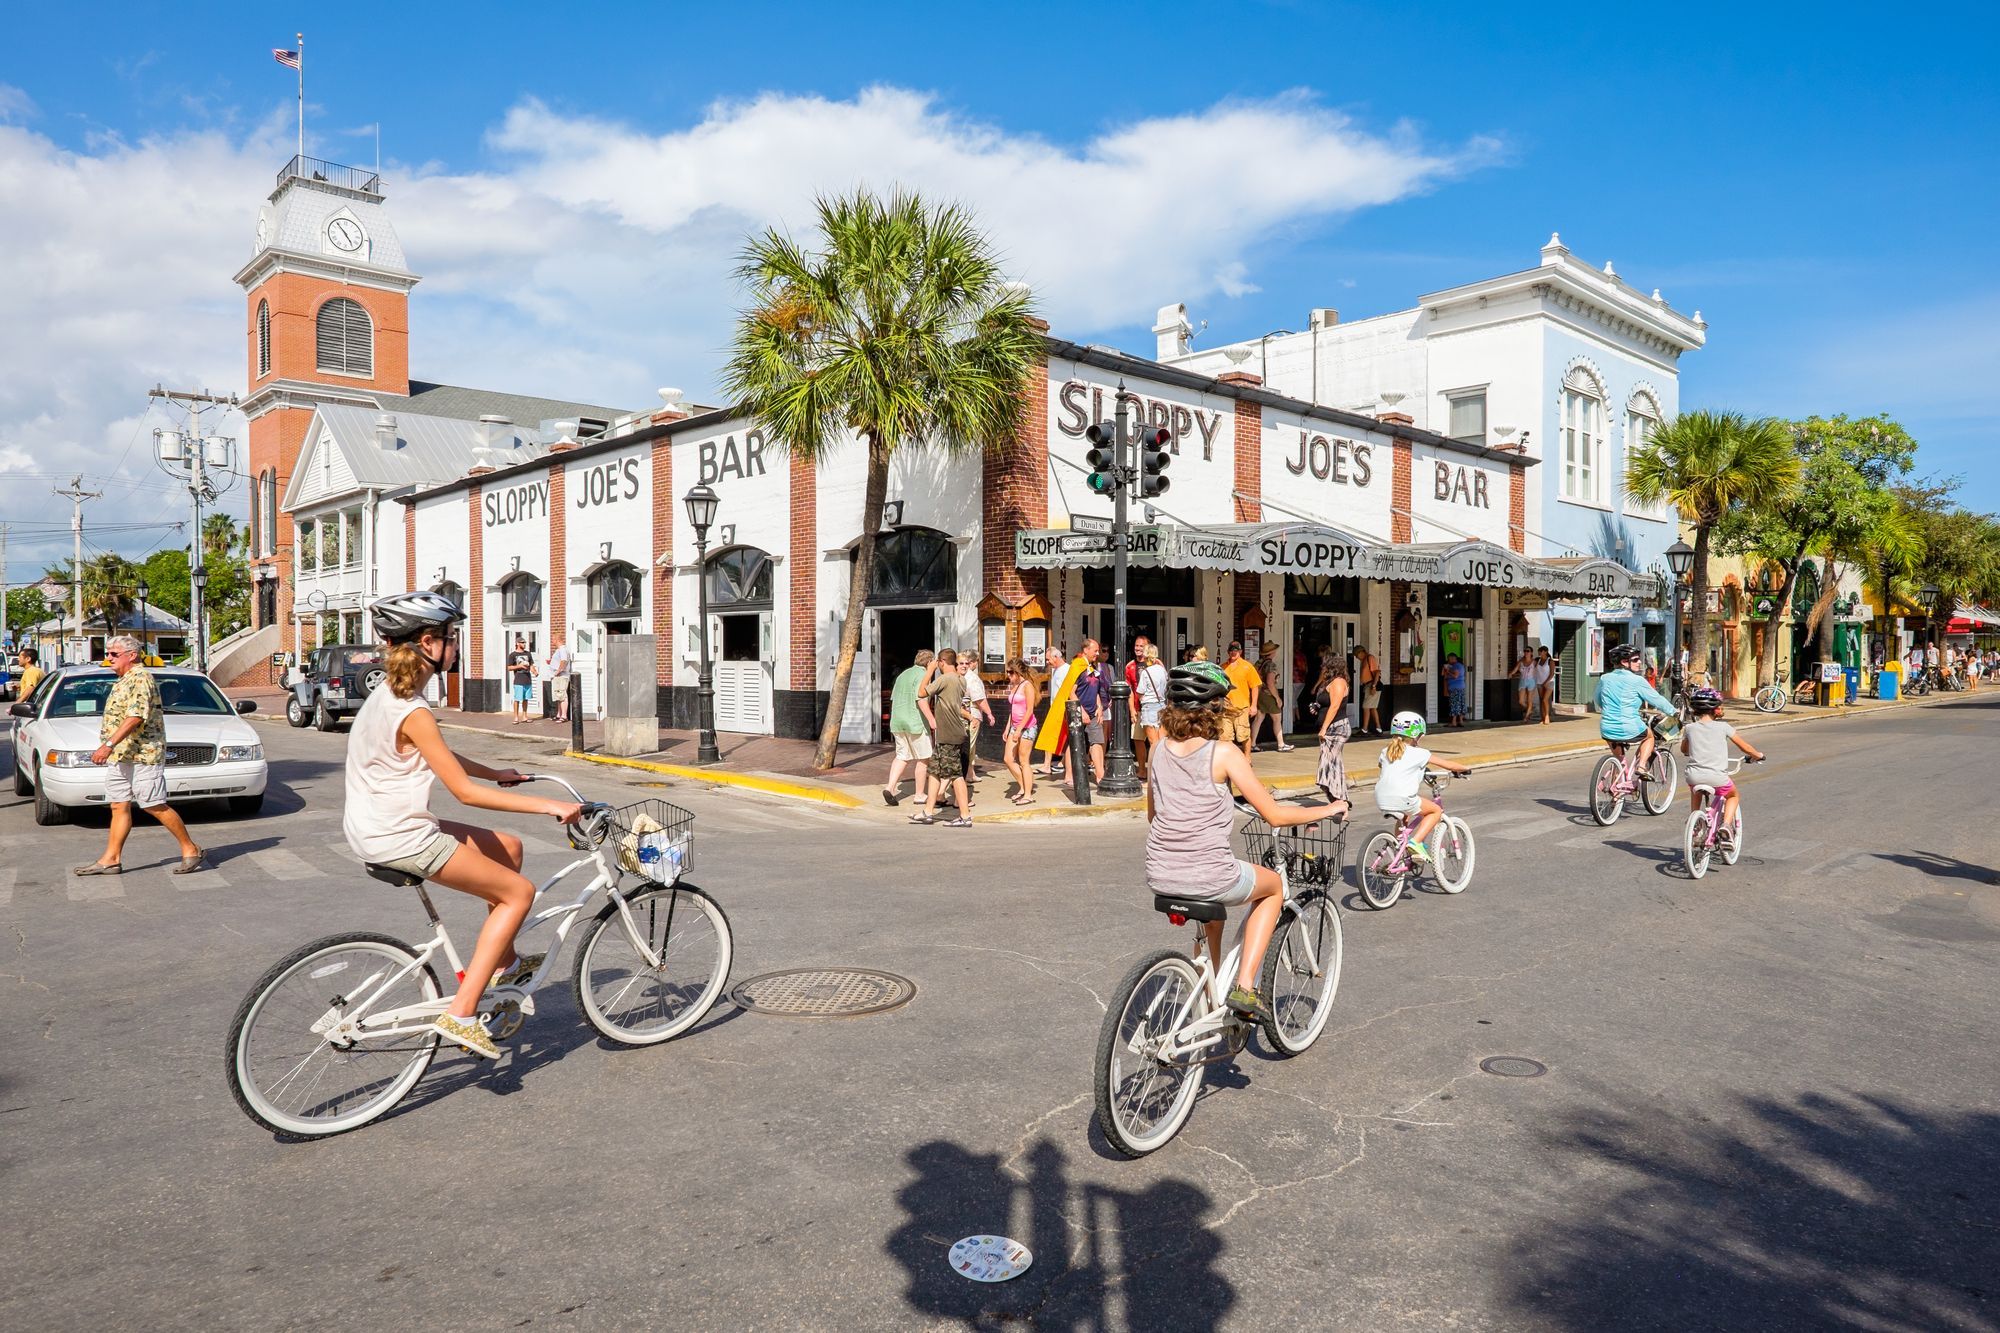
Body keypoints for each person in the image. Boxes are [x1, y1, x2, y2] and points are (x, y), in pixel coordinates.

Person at [342, 591, 582, 1059]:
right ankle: (463, 1011)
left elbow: (439, 756)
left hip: (380, 824)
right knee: (520, 893)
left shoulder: (391, 695)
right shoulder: (412, 709)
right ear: (429, 643)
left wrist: (499, 773)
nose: (457, 647)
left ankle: (505, 964)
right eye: (452, 639)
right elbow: (465, 794)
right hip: (399, 835)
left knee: (509, 850)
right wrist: (548, 805)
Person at [1145, 661, 1343, 1023]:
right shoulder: (1224, 754)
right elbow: (1276, 815)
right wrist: (1328, 808)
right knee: (1271, 888)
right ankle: (1245, 987)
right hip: (1209, 874)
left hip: (1161, 874)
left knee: (1212, 914)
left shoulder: (1157, 750)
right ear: (1216, 709)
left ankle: (1209, 990)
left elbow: (1153, 816)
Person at [72, 635, 208, 878]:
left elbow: (136, 717)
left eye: (114, 654)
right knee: (118, 805)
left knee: (153, 804)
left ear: (131, 655)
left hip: (143, 755)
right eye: (108, 653)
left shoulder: (141, 678)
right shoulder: (123, 680)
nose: (108, 658)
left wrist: (108, 745)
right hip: (122, 755)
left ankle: (191, 849)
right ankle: (111, 859)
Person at [1372, 711, 1469, 863]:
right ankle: (1416, 842)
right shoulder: (1421, 753)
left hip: (1380, 797)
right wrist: (1465, 769)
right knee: (1435, 811)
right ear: (1416, 735)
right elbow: (1448, 765)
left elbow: (1391, 769)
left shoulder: (1385, 751)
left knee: (1405, 814)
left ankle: (1400, 845)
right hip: (1403, 797)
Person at [1679, 686, 1763, 844]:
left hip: (1693, 776)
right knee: (1733, 795)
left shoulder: (1689, 728)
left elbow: (1684, 749)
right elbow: (1745, 747)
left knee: (1695, 789)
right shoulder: (1724, 727)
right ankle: (1725, 825)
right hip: (1717, 778)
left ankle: (1695, 821)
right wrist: (1758, 755)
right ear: (1714, 709)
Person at [1595, 642, 1677, 780]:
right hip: (1629, 727)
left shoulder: (1605, 678)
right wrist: (1673, 711)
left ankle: (1616, 795)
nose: (1640, 662)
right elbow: (1656, 699)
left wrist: (1612, 708)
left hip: (1607, 727)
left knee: (1619, 761)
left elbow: (1598, 699)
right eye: (1635, 660)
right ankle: (1641, 766)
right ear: (1624, 662)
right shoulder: (1637, 680)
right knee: (1649, 736)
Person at [912, 649, 973, 827]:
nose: (936, 665)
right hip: (947, 733)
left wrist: (929, 671)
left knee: (956, 775)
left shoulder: (947, 678)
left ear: (942, 662)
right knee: (935, 771)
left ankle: (965, 816)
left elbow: (922, 692)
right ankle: (928, 812)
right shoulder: (960, 679)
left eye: (938, 662)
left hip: (950, 734)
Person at [882, 648, 935, 807]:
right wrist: (932, 719)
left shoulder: (902, 675)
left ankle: (890, 787)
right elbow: (921, 699)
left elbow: (893, 698)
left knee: (902, 756)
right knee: (923, 758)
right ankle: (919, 794)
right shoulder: (922, 675)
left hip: (898, 722)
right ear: (929, 662)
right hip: (916, 723)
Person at [1311, 646, 1353, 815]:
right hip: (1333, 727)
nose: (1323, 669)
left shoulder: (1338, 682)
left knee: (1330, 763)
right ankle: (1338, 798)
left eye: (1326, 666)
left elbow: (1335, 706)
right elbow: (1327, 702)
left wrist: (1323, 728)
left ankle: (1339, 800)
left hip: (1336, 728)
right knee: (1331, 763)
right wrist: (1317, 706)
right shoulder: (1332, 682)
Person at [1000, 658, 1039, 805]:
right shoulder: (1014, 686)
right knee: (1008, 759)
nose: (1008, 676)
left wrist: (1019, 729)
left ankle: (1028, 794)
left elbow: (1029, 710)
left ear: (1017, 672)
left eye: (1010, 673)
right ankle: (1023, 786)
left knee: (1024, 761)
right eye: (1007, 673)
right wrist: (1008, 727)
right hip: (1015, 726)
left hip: (1027, 727)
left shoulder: (1027, 686)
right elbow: (1013, 710)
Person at [1073, 639, 1108, 786]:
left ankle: (1100, 774)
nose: (1097, 653)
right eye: (1095, 650)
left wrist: (1099, 707)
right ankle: (1070, 776)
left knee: (1097, 742)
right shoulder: (1077, 668)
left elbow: (1096, 691)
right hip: (1079, 713)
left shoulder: (1093, 669)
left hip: (1094, 712)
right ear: (1086, 650)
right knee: (1074, 745)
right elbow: (1071, 692)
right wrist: (1082, 711)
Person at [1133, 643, 1169, 779]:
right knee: (1162, 741)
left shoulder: (1146, 672)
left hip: (1149, 706)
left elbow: (1140, 692)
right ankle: (1164, 771)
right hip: (1162, 705)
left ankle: (1152, 773)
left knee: (1153, 743)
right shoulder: (1162, 670)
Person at [1250, 642, 1294, 752]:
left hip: (1258, 693)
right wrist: (1277, 698)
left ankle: (1252, 743)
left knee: (1259, 718)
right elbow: (1270, 683)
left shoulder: (1258, 663)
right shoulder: (1271, 665)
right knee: (1277, 718)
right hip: (1268, 695)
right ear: (1272, 652)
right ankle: (1281, 744)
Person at [1220, 642, 1262, 757]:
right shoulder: (1222, 667)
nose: (1233, 652)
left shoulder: (1247, 666)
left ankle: (1247, 757)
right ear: (1228, 652)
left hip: (1242, 707)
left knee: (1243, 734)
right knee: (1225, 736)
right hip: (1226, 707)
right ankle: (1229, 759)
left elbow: (1255, 687)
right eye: (1231, 650)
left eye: (1236, 650)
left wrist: (1253, 706)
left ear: (1240, 652)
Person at [959, 654, 994, 781]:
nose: (964, 666)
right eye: (961, 663)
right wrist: (989, 713)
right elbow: (979, 699)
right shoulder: (972, 679)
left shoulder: (961, 677)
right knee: (967, 746)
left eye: (966, 663)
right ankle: (961, 777)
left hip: (964, 715)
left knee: (969, 747)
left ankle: (970, 773)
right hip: (971, 715)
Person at [1037, 647, 1069, 781]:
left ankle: (1056, 764)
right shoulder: (1055, 670)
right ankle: (1048, 764)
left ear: (1056, 657)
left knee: (1063, 737)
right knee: (1051, 736)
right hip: (1054, 707)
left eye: (1048, 659)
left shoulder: (1066, 670)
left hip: (1061, 709)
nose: (1047, 662)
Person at [507, 634, 535, 724]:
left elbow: (531, 665)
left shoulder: (528, 654)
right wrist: (519, 666)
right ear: (517, 643)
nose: (524, 644)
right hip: (518, 680)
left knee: (526, 699)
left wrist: (534, 671)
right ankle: (515, 717)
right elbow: (509, 668)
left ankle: (524, 716)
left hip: (527, 679)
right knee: (517, 699)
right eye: (522, 643)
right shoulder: (512, 655)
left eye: (525, 643)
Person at [1355, 643, 1383, 734]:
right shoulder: (1364, 660)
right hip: (1367, 685)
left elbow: (1377, 672)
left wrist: (1373, 686)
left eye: (1356, 655)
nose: (1356, 657)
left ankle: (1364, 729)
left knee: (1366, 707)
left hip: (1371, 685)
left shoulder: (1369, 658)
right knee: (1372, 707)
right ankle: (1378, 729)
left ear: (1361, 652)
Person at [546, 632, 573, 722]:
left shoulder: (562, 649)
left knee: (562, 695)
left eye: (553, 639)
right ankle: (559, 714)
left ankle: (564, 716)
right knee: (558, 695)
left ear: (557, 640)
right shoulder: (559, 650)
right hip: (558, 676)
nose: (552, 641)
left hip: (561, 676)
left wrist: (558, 671)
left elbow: (564, 661)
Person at [1444, 653, 1468, 727]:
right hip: (1460, 687)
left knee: (1454, 704)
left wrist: (1448, 671)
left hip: (1455, 688)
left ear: (1452, 658)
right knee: (1461, 704)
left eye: (1449, 659)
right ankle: (1460, 721)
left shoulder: (1456, 666)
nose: (1448, 660)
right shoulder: (1460, 666)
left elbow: (1455, 676)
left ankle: (1454, 722)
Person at [1534, 646, 1556, 724]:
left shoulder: (1550, 661)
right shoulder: (1537, 660)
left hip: (1549, 682)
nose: (1539, 653)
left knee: (1545, 699)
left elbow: (1552, 673)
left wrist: (1546, 682)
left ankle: (1547, 716)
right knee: (1541, 700)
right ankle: (1542, 717)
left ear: (1545, 652)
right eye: (1539, 651)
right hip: (1539, 682)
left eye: (1541, 651)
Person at [1513, 649, 1535, 719]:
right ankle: (1529, 709)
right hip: (1522, 680)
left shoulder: (1534, 662)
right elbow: (1515, 669)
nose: (1526, 652)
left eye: (1528, 651)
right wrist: (1511, 674)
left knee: (1529, 699)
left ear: (1531, 652)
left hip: (1531, 681)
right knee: (1521, 701)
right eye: (1525, 651)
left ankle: (1526, 716)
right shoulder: (1521, 661)